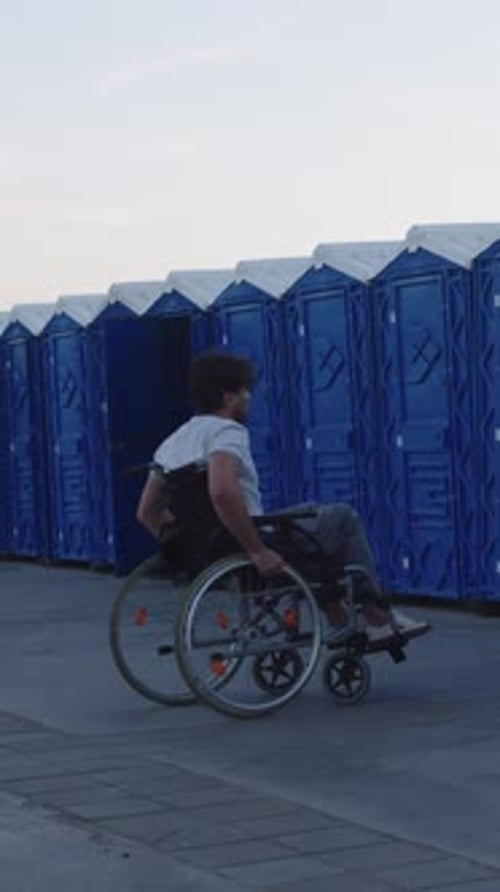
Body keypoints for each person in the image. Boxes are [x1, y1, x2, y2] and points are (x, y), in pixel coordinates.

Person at [137, 351, 429, 644]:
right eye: (244, 392)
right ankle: (378, 617)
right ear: (228, 398)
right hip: (248, 542)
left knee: (311, 516)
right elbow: (222, 491)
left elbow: (147, 512)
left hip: (214, 548)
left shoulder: (172, 444)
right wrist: (256, 550)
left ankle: (339, 617)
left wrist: (187, 550)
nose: (249, 398)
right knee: (340, 518)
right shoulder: (226, 432)